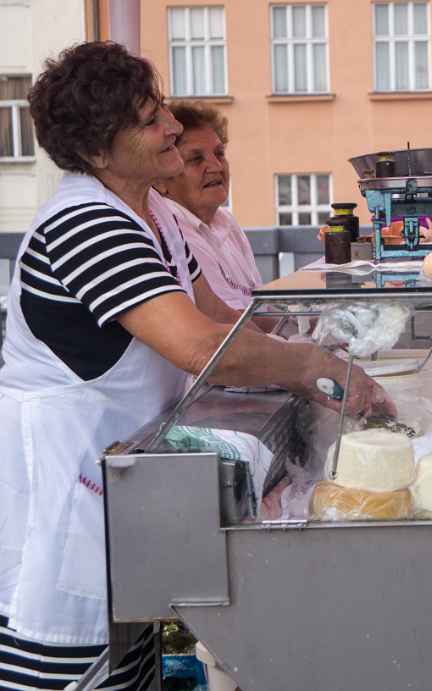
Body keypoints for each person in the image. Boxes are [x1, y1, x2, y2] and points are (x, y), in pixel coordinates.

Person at [0, 42, 391, 689]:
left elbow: (223, 320)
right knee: (68, 668)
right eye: (150, 118)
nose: (172, 127)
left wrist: (313, 340)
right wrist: (311, 366)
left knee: (126, 664)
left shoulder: (153, 214)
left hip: (120, 489)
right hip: (61, 497)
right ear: (99, 151)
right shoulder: (85, 223)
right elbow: (201, 346)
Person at [160, 103, 261, 310]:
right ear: (161, 180)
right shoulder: (173, 230)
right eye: (196, 159)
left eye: (220, 153)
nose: (216, 166)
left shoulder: (225, 220)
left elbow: (260, 305)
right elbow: (232, 321)